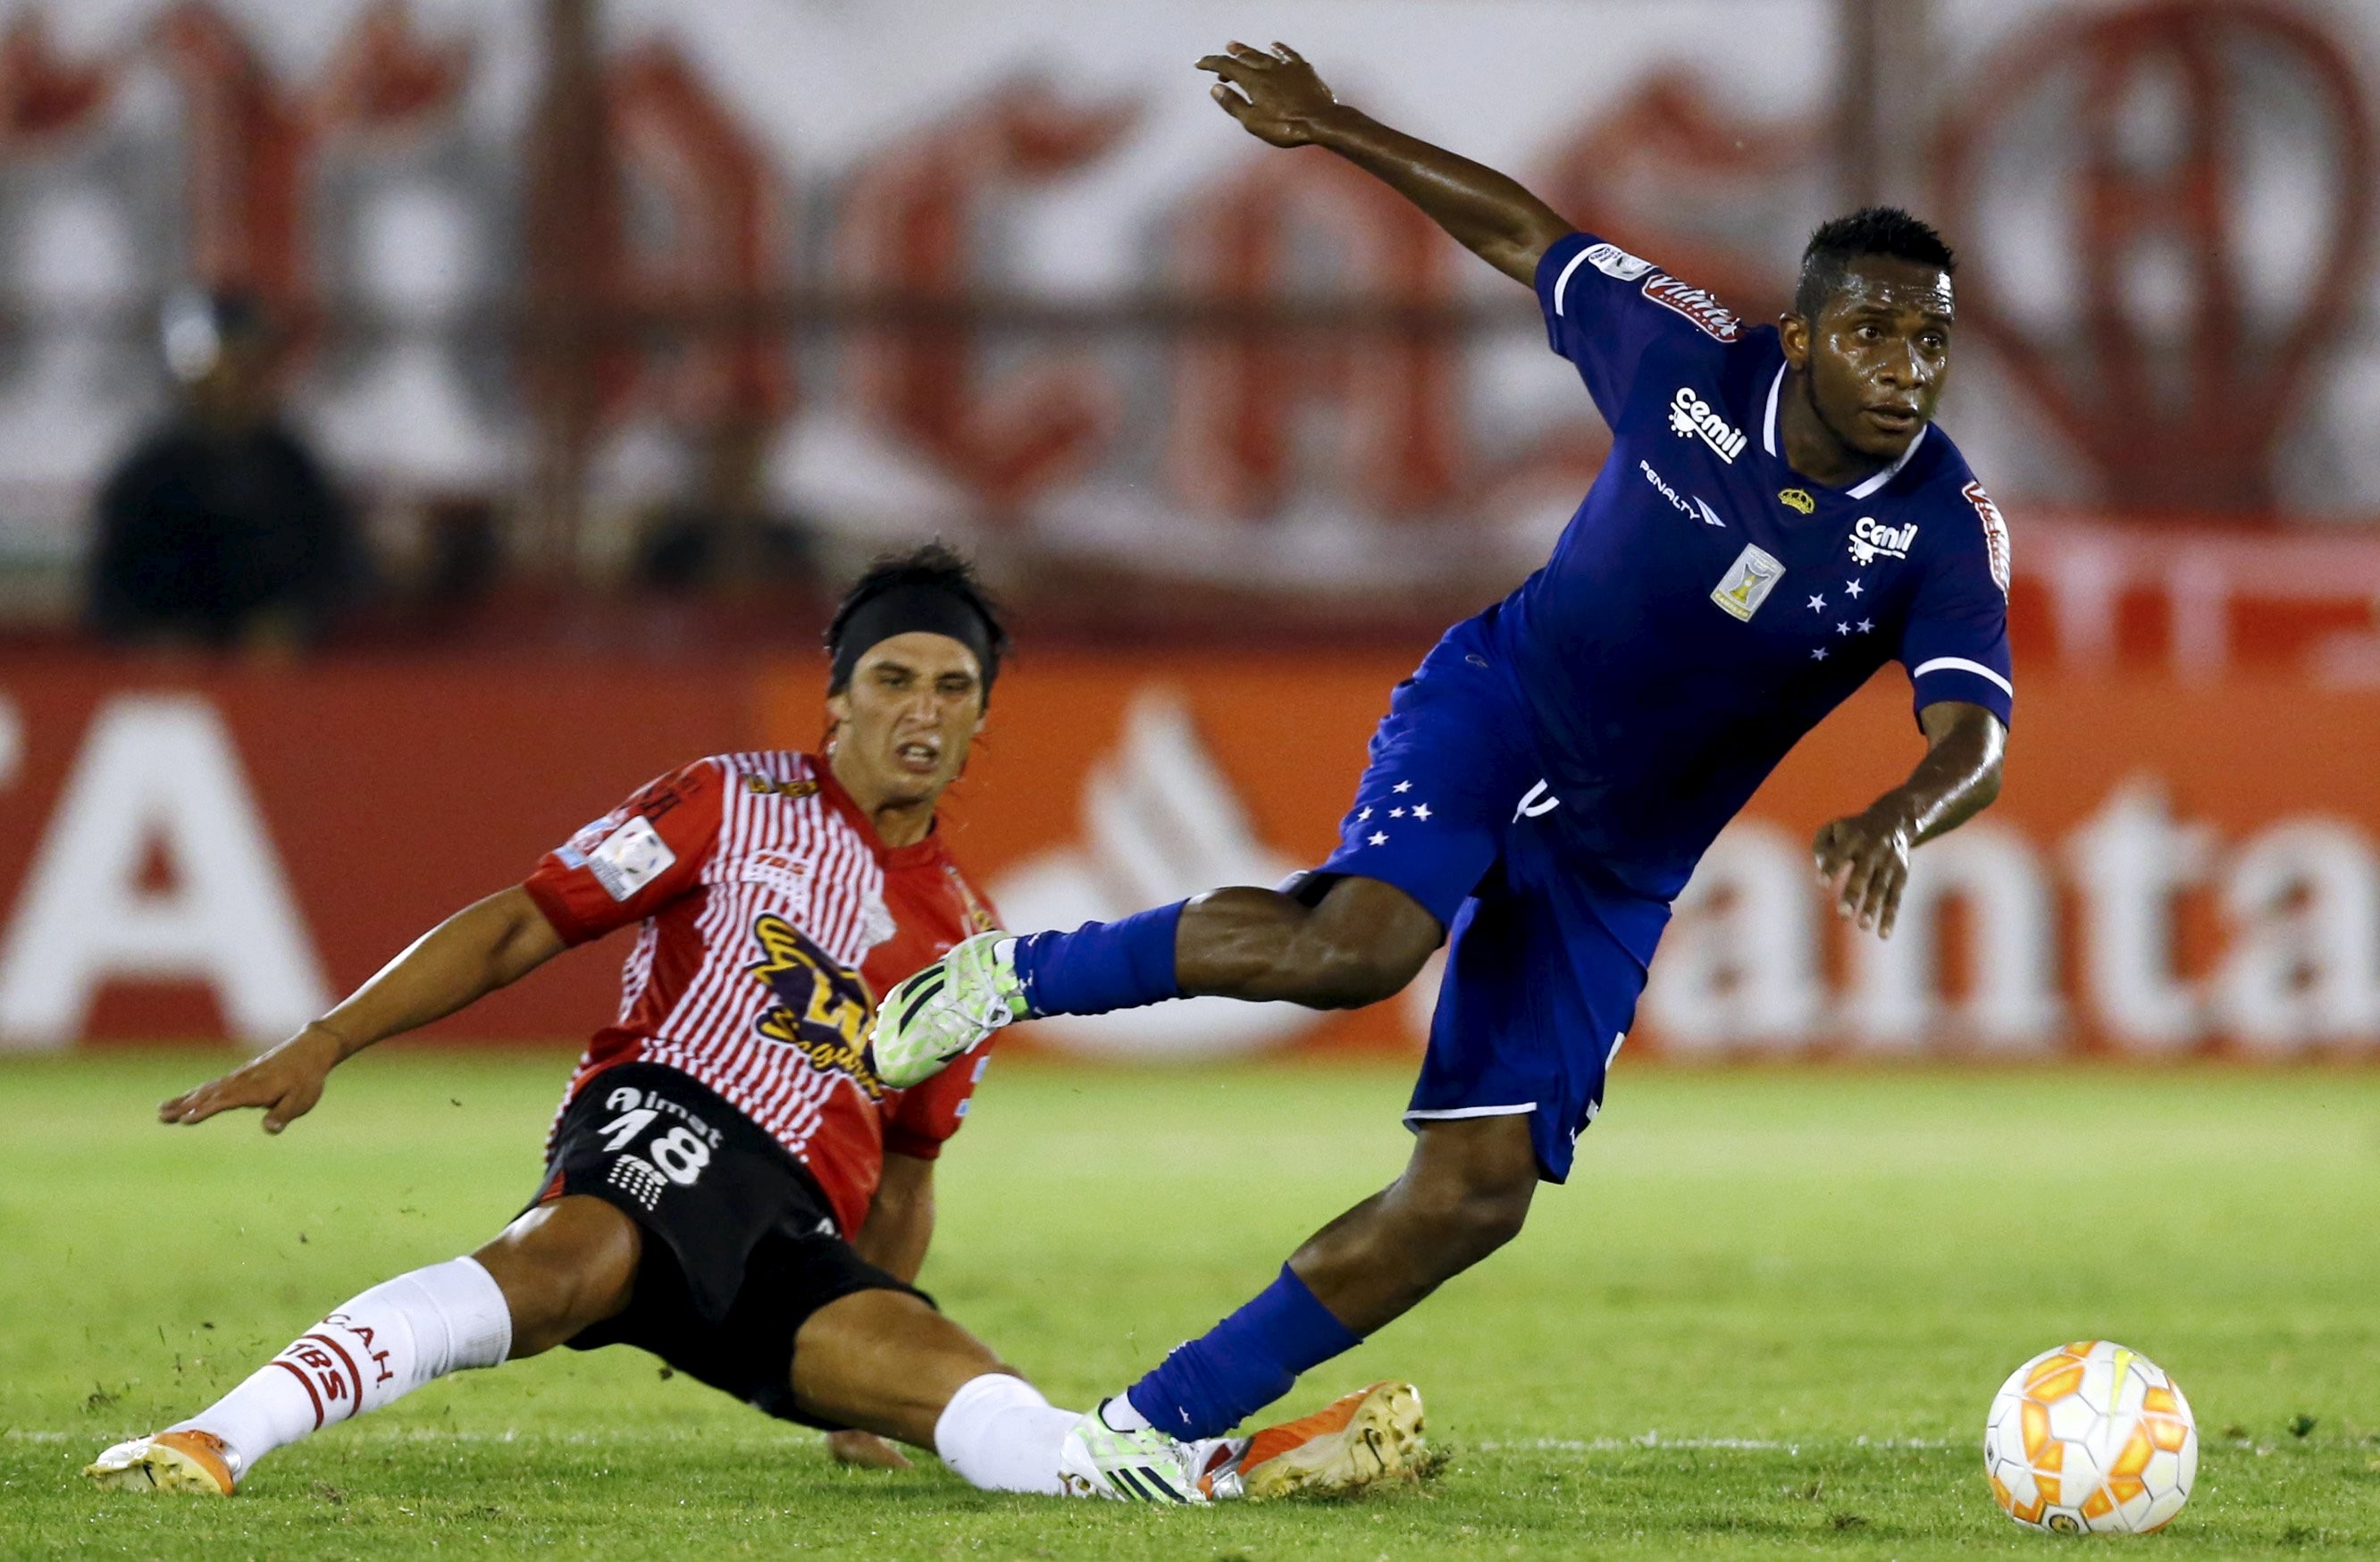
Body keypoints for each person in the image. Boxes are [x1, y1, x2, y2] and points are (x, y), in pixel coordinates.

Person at [869, 44, 2013, 1450]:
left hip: (1619, 854)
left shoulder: (1945, 529)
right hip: (1499, 711)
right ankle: (1005, 976)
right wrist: (1333, 126)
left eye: (1932, 342)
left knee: (1475, 1194)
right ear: (1801, 335)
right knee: (1357, 947)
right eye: (1874, 336)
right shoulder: (1683, 357)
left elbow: (1975, 733)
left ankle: (1147, 1433)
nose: (1907, 372)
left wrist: (1903, 810)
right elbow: (1523, 232)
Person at [85, 544, 1423, 1505]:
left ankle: (1230, 1472)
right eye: (893, 678)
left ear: (980, 724)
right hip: (665, 1124)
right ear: (836, 697)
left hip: (784, 1243)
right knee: (558, 1271)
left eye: (953, 689)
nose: (921, 710)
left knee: (992, 1414)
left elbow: (908, 1163)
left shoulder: (968, 935)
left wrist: (869, 1351)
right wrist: (329, 1037)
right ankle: (215, 1435)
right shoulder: (728, 800)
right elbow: (522, 922)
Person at [86, 289, 359, 649]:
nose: (230, 381)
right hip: (169, 681)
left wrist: (292, 624)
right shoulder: (150, 473)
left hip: (284, 680)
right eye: (218, 365)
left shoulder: (293, 469)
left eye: (246, 365)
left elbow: (338, 575)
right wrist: (157, 638)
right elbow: (111, 589)